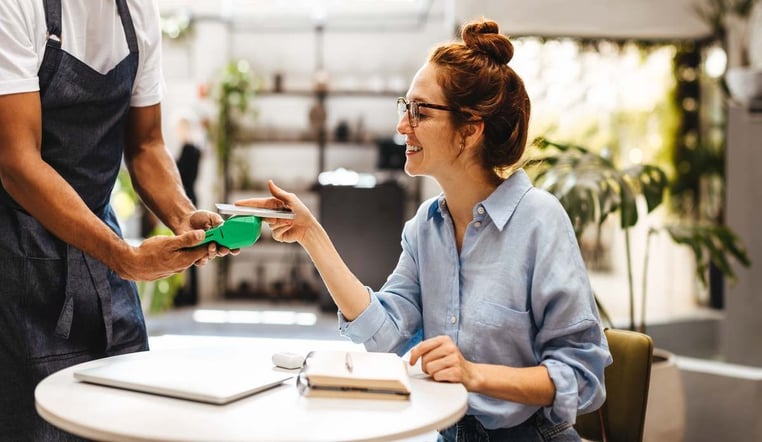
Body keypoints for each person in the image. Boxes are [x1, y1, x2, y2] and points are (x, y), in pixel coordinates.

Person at [238, 18, 612, 441]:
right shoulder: (425, 228)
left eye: (420, 110)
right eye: (405, 107)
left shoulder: (539, 221)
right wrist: (311, 235)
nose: (402, 125)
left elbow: (583, 376)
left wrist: (475, 375)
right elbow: (384, 332)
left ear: (470, 128)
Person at [0, 0, 231, 439]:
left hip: (103, 265)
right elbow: (17, 162)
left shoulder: (139, 12)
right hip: (18, 264)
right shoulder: (16, 7)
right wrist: (122, 256)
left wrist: (184, 218)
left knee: (127, 416)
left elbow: (146, 144)